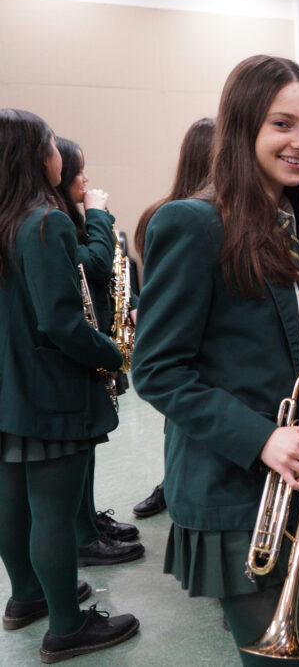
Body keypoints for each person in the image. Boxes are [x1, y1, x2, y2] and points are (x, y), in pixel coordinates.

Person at [132, 55, 299, 665]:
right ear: (243, 126)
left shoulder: (295, 222)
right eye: (283, 125)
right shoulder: (193, 223)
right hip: (237, 486)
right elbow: (157, 369)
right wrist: (261, 439)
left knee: (293, 638)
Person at [0, 108, 140, 662]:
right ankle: (66, 625)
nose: (60, 152)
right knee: (53, 513)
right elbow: (62, 322)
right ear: (38, 156)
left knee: (12, 505)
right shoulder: (43, 222)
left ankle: (27, 597)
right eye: (52, 144)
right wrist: (113, 356)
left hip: (7, 386)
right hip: (47, 389)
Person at [54, 137, 146, 565]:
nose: (85, 178)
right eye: (78, 171)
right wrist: (96, 216)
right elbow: (90, 265)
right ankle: (81, 533)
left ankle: (87, 520)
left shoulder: (62, 217)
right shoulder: (51, 220)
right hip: (77, 353)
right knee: (77, 448)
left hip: (94, 341)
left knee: (90, 442)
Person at [130, 116, 215, 520]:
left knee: (177, 421)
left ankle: (171, 482)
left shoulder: (156, 214)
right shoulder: (177, 218)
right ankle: (174, 483)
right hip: (185, 340)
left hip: (168, 328)